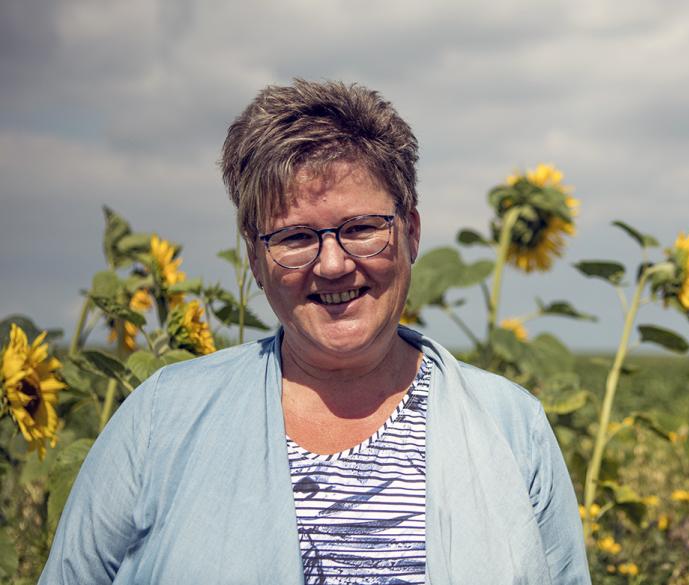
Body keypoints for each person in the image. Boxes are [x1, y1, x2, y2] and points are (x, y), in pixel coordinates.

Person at [40, 79, 590, 585]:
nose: (331, 264)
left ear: (412, 231)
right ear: (255, 258)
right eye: (296, 237)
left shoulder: (511, 428)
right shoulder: (160, 421)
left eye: (361, 228)